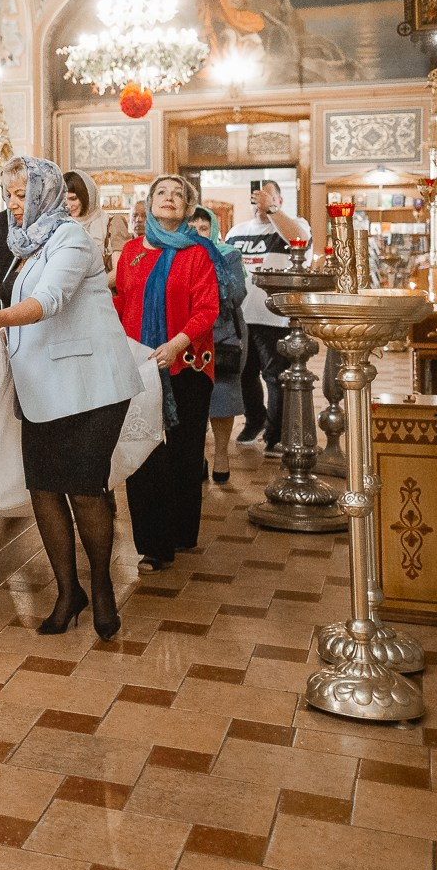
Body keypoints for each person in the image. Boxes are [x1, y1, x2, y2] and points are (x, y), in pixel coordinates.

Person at [0, 157, 147, 639]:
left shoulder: (70, 237)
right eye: (8, 194)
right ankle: (68, 592)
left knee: (86, 488)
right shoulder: (23, 245)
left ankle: (103, 587)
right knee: (44, 488)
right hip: (39, 387)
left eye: (23, 194)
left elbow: (52, 299)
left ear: (46, 194)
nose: (13, 203)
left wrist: (2, 320)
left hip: (89, 388)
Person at [113, 174, 221, 573]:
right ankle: (153, 545)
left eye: (178, 195)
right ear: (149, 202)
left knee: (183, 451)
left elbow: (207, 309)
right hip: (140, 364)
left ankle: (180, 531)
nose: (169, 199)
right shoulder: (130, 252)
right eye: (162, 193)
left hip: (186, 364)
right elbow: (123, 301)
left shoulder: (199, 253)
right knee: (144, 450)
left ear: (189, 206)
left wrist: (177, 343)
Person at [227, 180, 312, 451]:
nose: (261, 202)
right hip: (240, 317)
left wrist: (273, 211)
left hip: (275, 316)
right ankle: (255, 419)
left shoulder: (294, 224)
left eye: (269, 197)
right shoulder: (237, 231)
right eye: (258, 197)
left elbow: (300, 240)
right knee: (242, 374)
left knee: (275, 378)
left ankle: (275, 435)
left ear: (280, 201)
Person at [192, 206, 249, 485]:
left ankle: (221, 456)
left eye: (204, 228)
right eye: (192, 229)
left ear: (213, 229)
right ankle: (197, 457)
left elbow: (238, 293)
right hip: (189, 335)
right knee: (193, 399)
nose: (199, 234)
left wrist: (209, 270)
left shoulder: (228, 254)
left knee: (223, 397)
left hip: (223, 334)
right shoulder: (178, 254)